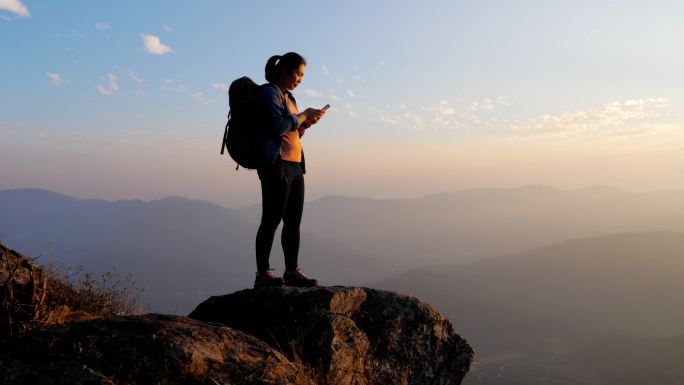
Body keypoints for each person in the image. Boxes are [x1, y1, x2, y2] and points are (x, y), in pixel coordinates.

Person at [253, 52, 326, 288]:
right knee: (271, 219)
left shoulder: (288, 97)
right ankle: (263, 273)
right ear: (284, 70)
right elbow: (276, 127)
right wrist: (302, 115)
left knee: (293, 221)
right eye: (298, 73)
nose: (300, 79)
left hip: (295, 165)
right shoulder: (269, 93)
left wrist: (305, 123)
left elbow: (292, 131)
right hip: (277, 165)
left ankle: (291, 271)